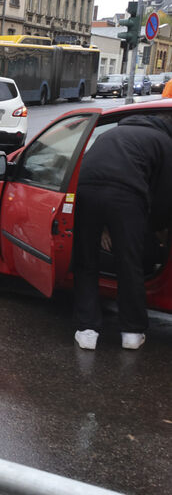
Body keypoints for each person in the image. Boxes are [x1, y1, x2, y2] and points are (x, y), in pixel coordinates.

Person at [72, 113, 172, 351]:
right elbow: (164, 196)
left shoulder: (110, 133)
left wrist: (106, 226)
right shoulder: (165, 142)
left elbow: (97, 174)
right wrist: (157, 229)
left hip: (85, 189)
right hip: (127, 196)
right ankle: (132, 332)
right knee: (130, 263)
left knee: (86, 261)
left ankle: (87, 331)